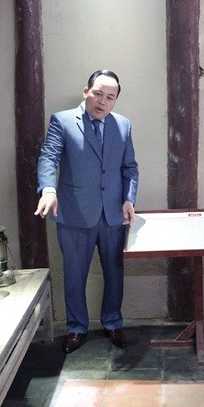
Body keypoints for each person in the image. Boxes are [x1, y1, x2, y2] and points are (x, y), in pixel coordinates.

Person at [35, 69, 139, 354]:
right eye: (98, 94)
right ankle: (76, 328)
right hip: (75, 213)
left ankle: (113, 322)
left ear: (115, 100)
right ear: (86, 91)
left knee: (114, 272)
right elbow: (48, 158)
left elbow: (129, 168)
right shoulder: (63, 120)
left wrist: (129, 199)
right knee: (74, 274)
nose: (103, 101)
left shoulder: (123, 125)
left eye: (110, 97)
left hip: (113, 215)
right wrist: (48, 189)